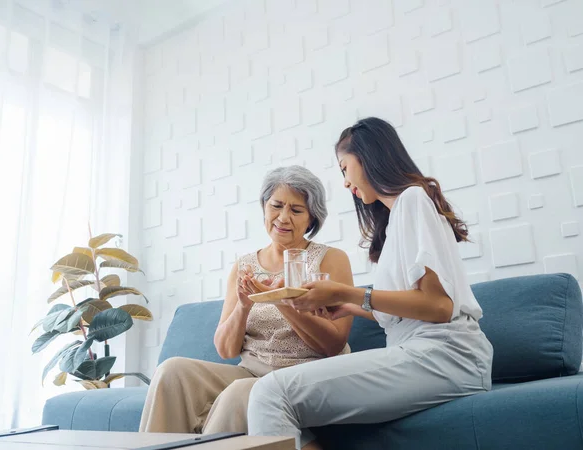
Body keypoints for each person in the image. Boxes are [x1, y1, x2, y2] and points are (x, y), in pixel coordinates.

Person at [247, 117, 494, 450]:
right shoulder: (396, 224)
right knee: (276, 399)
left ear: (367, 157)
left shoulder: (412, 199)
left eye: (344, 168)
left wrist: (348, 292)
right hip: (424, 350)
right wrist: (347, 306)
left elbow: (439, 307)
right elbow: (411, 309)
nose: (345, 182)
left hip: (447, 354)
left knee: (270, 393)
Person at [139, 165, 354, 435]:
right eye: (276, 205)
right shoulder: (245, 265)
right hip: (252, 371)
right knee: (172, 371)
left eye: (296, 210)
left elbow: (334, 345)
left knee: (242, 392)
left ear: (312, 219)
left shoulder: (330, 259)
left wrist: (281, 300)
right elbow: (227, 351)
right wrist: (243, 305)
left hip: (307, 375)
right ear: (264, 207)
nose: (283, 217)